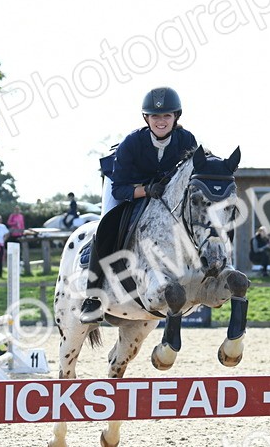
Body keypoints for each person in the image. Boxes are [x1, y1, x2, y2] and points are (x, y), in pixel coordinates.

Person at [82, 86, 199, 319]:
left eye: (166, 115)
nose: (161, 121)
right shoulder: (132, 142)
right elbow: (119, 188)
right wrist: (145, 190)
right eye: (155, 116)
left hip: (165, 195)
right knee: (106, 225)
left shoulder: (187, 140)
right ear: (146, 118)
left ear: (176, 117)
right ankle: (93, 296)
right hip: (126, 186)